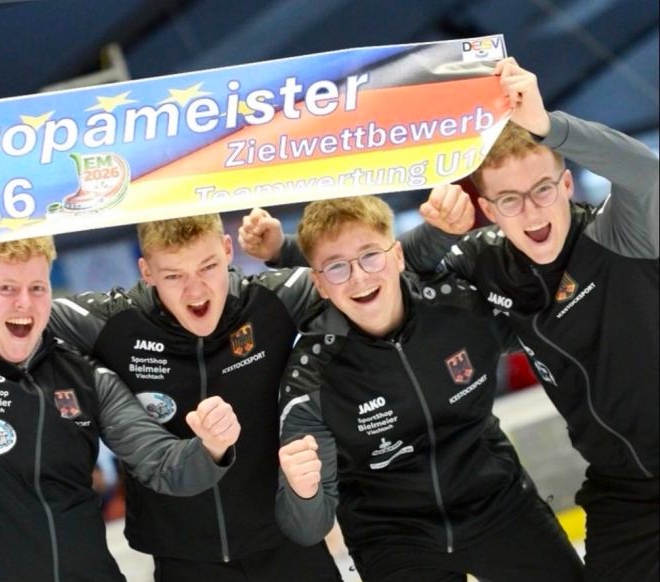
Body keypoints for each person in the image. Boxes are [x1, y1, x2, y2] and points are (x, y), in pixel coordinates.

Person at [0, 189, 473, 581]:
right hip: (182, 562)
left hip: (286, 548)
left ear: (227, 252)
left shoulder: (272, 300)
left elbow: (361, 268)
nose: (195, 290)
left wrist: (435, 233)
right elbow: (14, 314)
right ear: (146, 272)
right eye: (173, 276)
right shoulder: (110, 320)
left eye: (207, 268)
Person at [246, 57, 659, 582]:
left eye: (542, 189)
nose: (532, 211)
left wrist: (547, 125)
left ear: (568, 185)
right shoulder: (484, 264)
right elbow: (389, 264)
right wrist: (286, 251)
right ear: (489, 208)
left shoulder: (619, 235)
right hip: (622, 490)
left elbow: (645, 172)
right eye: (509, 199)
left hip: (524, 502)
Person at [0, 236, 241, 582]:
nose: (24, 303)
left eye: (37, 288)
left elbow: (165, 466)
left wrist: (212, 446)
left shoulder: (86, 377)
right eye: (6, 289)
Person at [274, 195, 584, 582]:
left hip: (499, 505)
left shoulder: (460, 308)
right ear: (318, 284)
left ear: (398, 256)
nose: (359, 277)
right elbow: (308, 529)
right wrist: (302, 492)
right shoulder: (311, 377)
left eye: (371, 256)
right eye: (337, 267)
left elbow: (556, 328)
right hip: (393, 538)